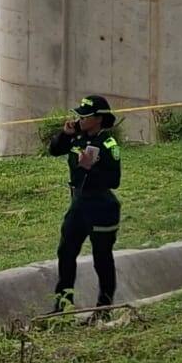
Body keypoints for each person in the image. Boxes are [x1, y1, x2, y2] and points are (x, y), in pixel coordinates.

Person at [47, 95, 122, 313]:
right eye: (78, 114)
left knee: (102, 259)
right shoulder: (76, 138)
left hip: (101, 207)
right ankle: (62, 306)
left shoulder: (108, 144)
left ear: (98, 119)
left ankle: (104, 308)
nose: (79, 119)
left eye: (85, 116)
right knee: (66, 253)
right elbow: (54, 150)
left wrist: (92, 169)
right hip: (78, 205)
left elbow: (114, 181)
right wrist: (65, 134)